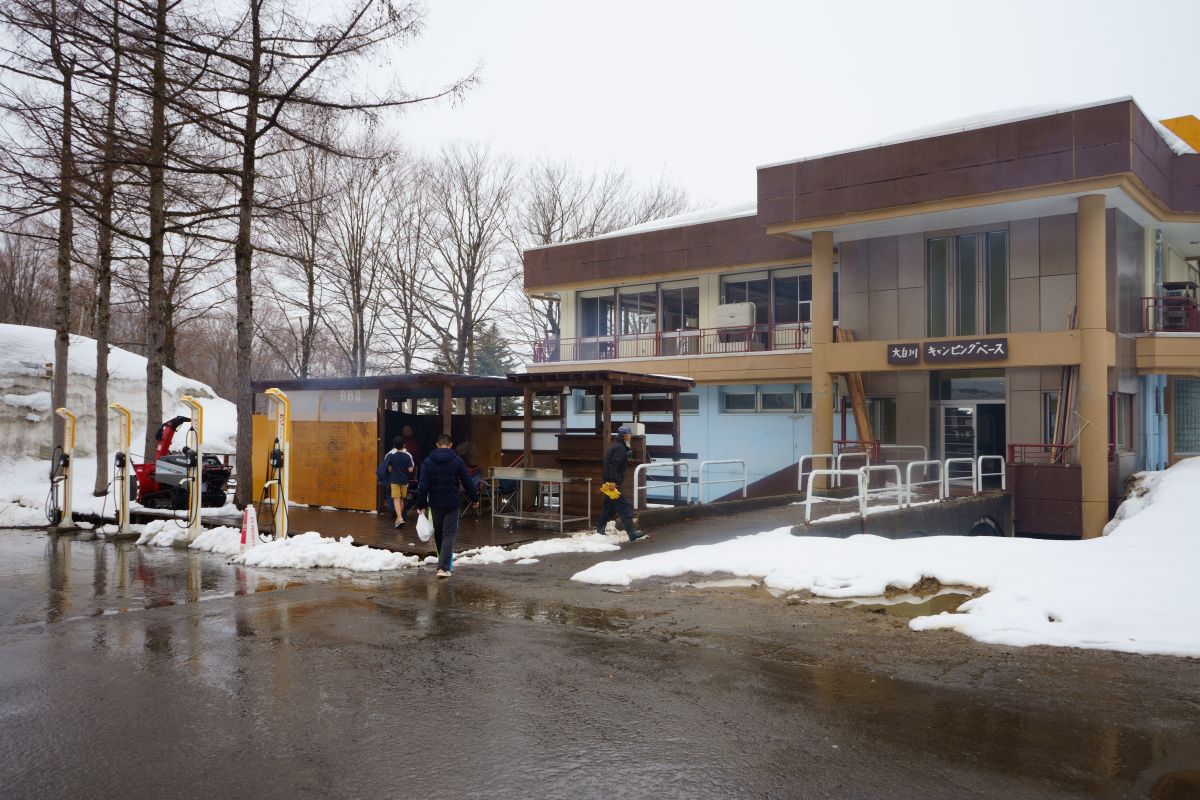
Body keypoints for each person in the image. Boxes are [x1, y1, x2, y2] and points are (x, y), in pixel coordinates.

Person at [414, 433, 479, 577]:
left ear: (437, 445)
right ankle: (444, 568)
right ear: (450, 445)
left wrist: (421, 504)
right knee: (449, 534)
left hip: (435, 503)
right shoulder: (457, 461)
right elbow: (467, 481)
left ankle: (441, 566)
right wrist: (474, 499)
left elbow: (423, 486)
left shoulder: (428, 462)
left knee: (439, 533)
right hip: (452, 503)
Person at [596, 425, 645, 542]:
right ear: (625, 436)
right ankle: (632, 532)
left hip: (609, 482)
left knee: (609, 508)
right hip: (613, 484)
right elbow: (614, 465)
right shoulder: (620, 448)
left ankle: (600, 530)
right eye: (629, 435)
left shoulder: (615, 446)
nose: (630, 437)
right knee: (625, 506)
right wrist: (613, 481)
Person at [377, 436, 415, 529]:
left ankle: (399, 518)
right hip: (404, 481)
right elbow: (411, 469)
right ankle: (399, 518)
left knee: (396, 499)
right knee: (402, 499)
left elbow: (389, 469)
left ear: (394, 445)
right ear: (404, 445)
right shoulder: (408, 455)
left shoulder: (391, 455)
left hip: (394, 481)